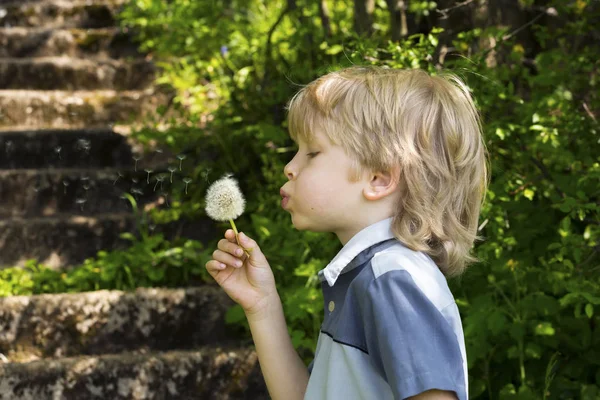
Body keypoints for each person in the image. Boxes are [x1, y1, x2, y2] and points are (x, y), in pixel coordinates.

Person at [205, 66, 490, 400]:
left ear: (379, 180)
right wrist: (263, 307)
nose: (290, 167)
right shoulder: (366, 276)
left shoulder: (391, 278)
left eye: (311, 153)